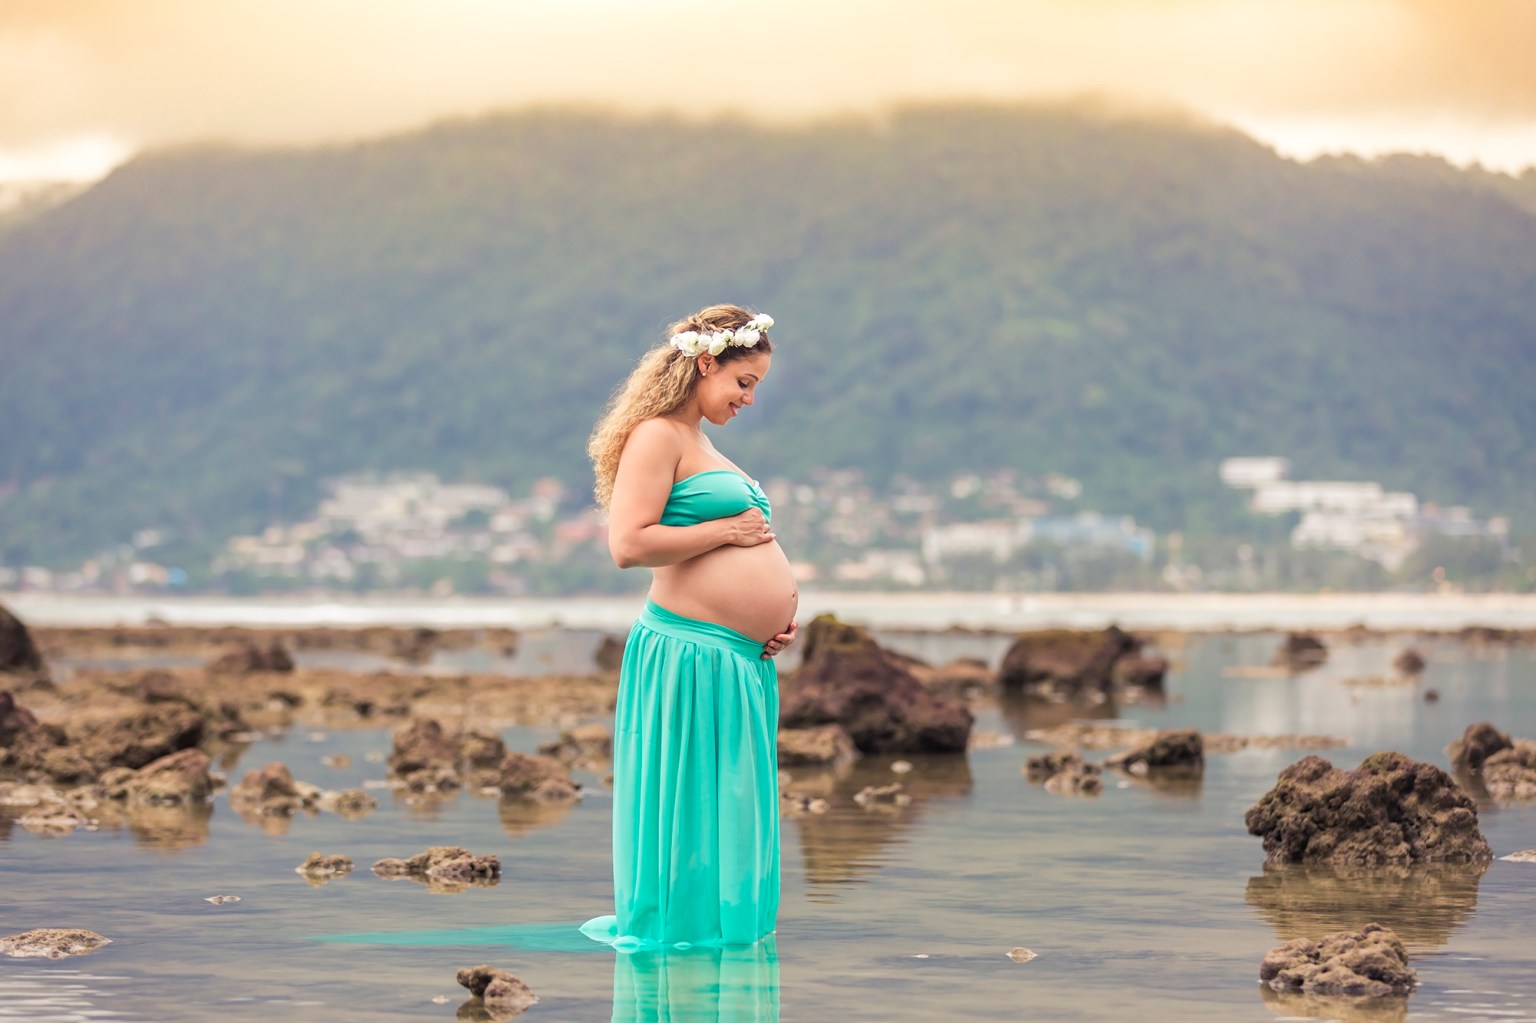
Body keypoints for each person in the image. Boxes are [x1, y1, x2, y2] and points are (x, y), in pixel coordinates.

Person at [581, 304, 798, 950]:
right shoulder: (657, 435)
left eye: (755, 385)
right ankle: (688, 948)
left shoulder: (700, 442)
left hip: (735, 658)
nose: (748, 398)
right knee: (696, 806)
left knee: (727, 805)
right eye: (743, 382)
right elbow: (629, 543)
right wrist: (729, 530)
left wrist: (771, 622)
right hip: (688, 654)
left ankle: (719, 943)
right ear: (706, 364)